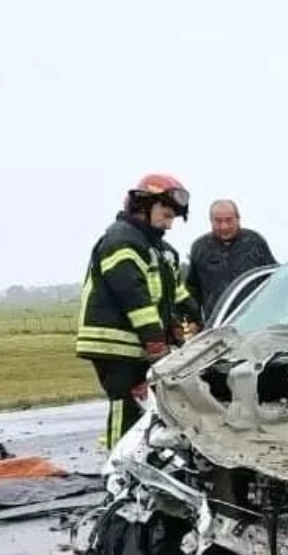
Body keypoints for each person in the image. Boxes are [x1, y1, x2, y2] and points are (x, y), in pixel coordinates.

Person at [75, 174, 201, 450]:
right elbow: (133, 296)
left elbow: (174, 292)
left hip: (139, 343)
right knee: (126, 404)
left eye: (173, 219)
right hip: (113, 343)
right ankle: (117, 468)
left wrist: (198, 316)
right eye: (165, 215)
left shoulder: (159, 249)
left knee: (150, 407)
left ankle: (142, 460)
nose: (169, 224)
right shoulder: (120, 241)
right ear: (143, 206)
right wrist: (155, 340)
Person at [186, 199, 277, 319]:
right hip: (217, 324)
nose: (224, 226)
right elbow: (193, 289)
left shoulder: (255, 242)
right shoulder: (200, 247)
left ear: (238, 219)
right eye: (218, 221)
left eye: (229, 220)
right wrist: (193, 319)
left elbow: (273, 280)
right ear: (211, 221)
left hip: (253, 323)